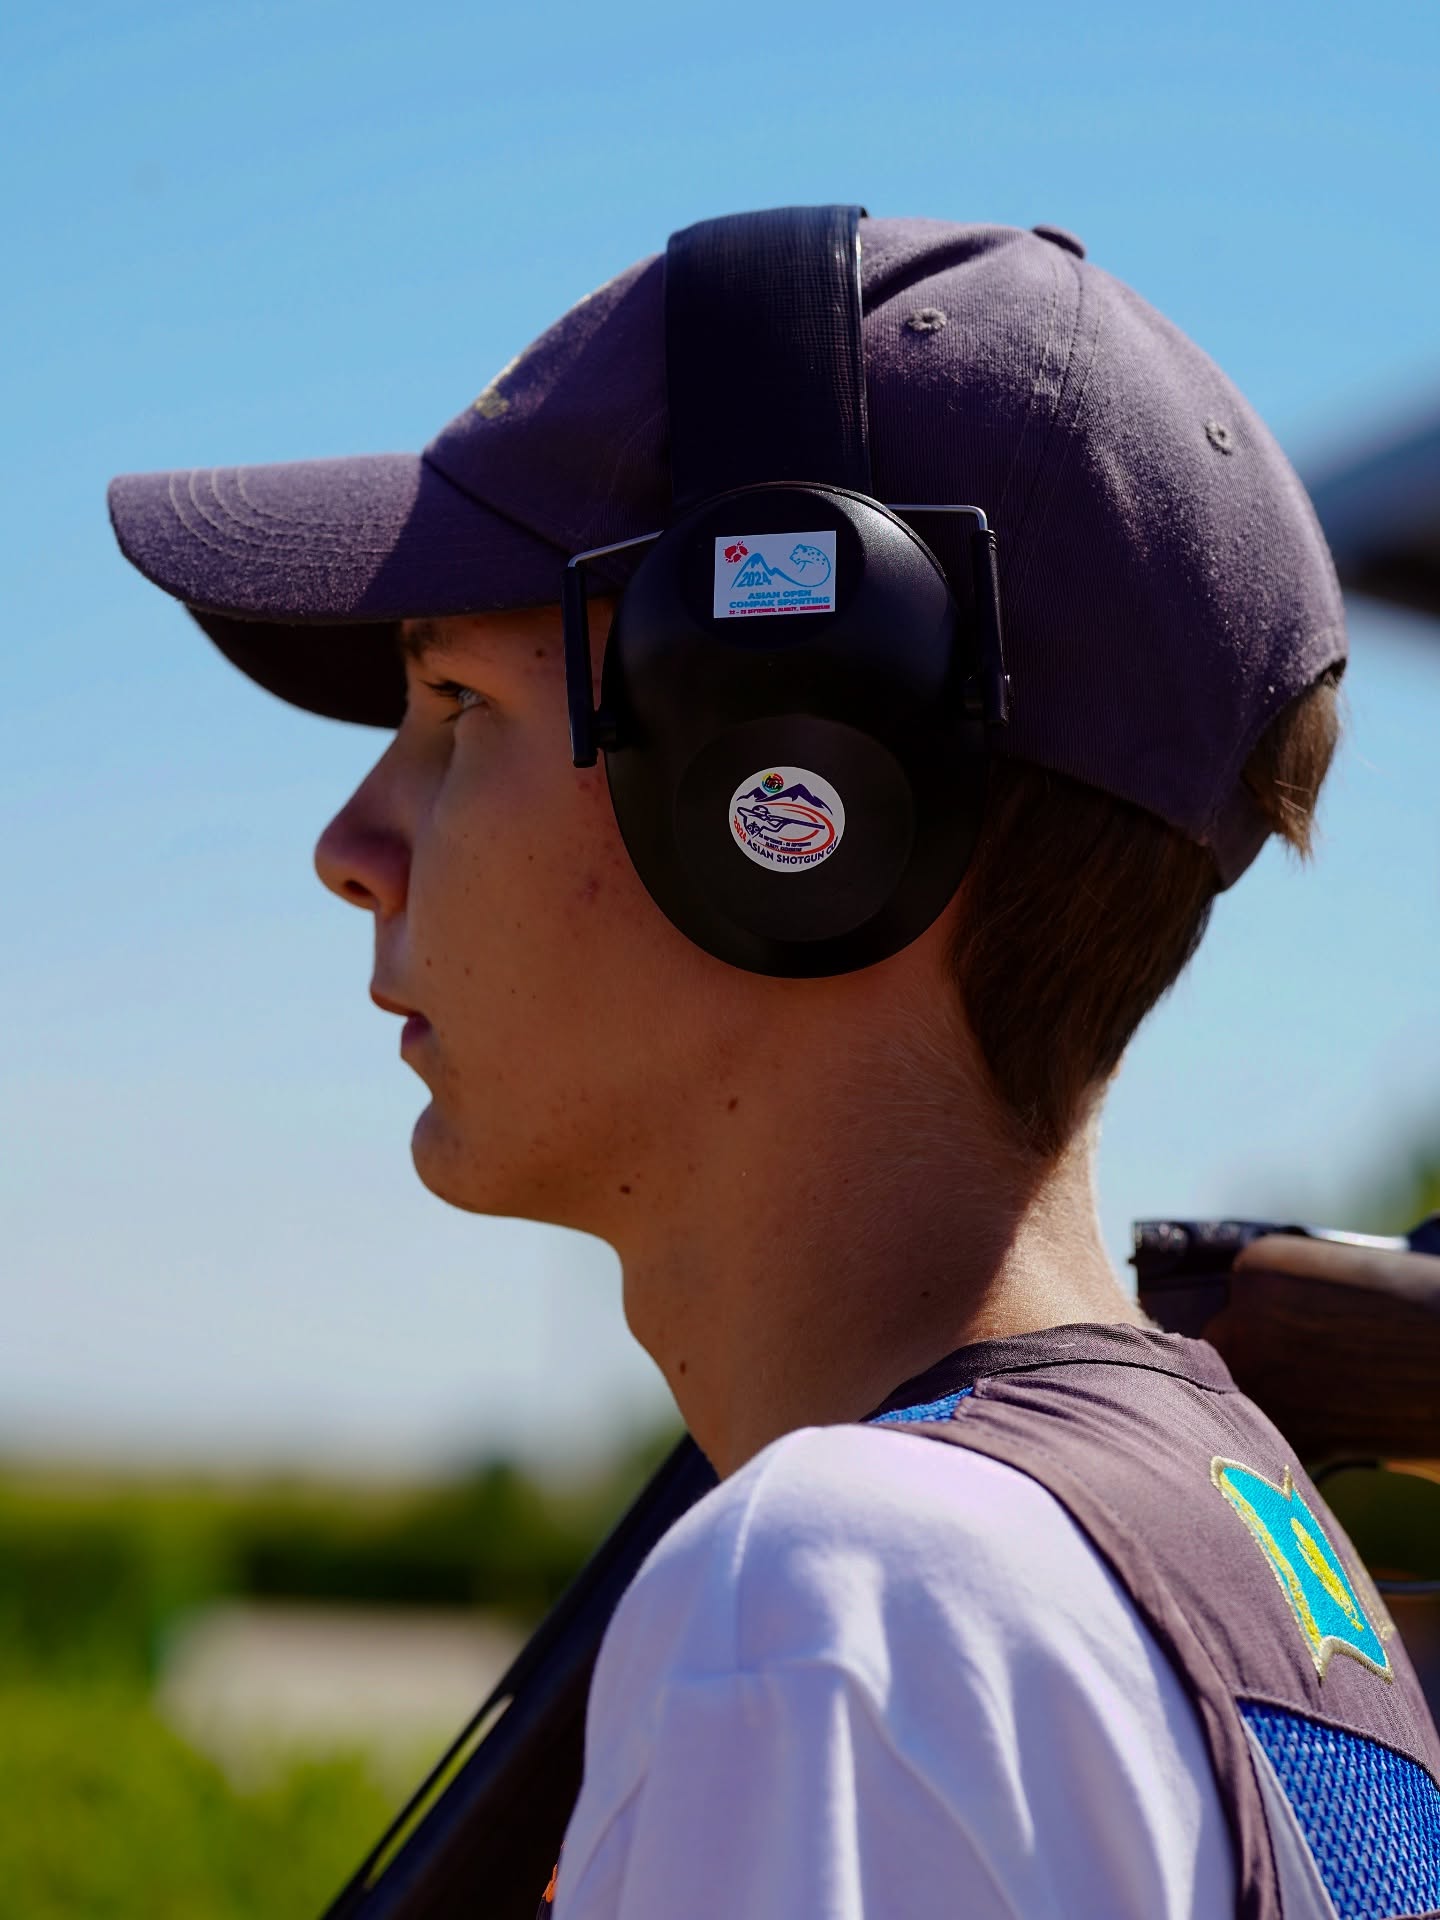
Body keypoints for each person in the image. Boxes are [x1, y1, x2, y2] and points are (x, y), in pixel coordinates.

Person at [108, 209, 1440, 1919]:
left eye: (457, 711)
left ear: (793, 786)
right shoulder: (1240, 1546)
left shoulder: (844, 1621)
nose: (350, 845)